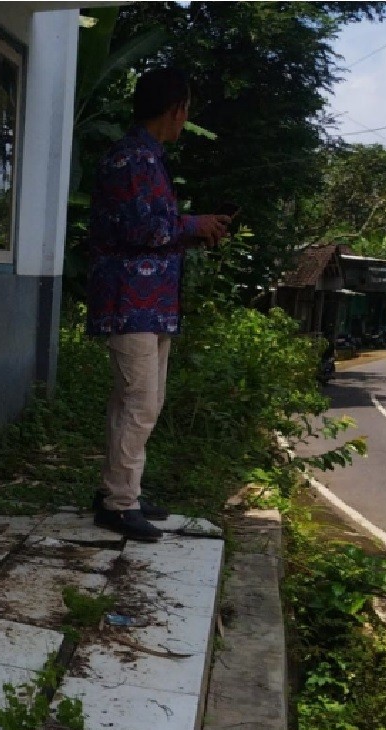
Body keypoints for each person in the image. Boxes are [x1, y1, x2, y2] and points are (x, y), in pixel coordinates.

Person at [84, 67, 231, 542]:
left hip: (148, 302)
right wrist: (194, 225)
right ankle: (118, 503)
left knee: (139, 401)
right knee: (140, 402)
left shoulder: (146, 158)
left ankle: (121, 490)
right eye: (186, 111)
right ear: (176, 110)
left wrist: (194, 229)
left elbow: (154, 228)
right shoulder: (134, 160)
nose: (185, 121)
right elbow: (143, 229)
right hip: (132, 301)